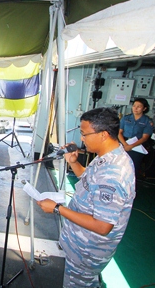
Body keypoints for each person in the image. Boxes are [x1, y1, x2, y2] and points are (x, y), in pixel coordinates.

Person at [37, 107, 135, 288]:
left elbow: (103, 226)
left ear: (103, 134)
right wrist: (73, 163)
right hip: (80, 243)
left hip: (88, 250)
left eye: (85, 134)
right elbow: (89, 180)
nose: (82, 139)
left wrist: (57, 209)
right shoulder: (106, 156)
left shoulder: (114, 174)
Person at [118, 98, 153, 174]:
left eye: (139, 106)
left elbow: (145, 137)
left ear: (144, 108)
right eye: (134, 106)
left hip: (137, 146)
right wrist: (125, 144)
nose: (135, 108)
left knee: (132, 168)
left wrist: (131, 146)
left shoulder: (147, 121)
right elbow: (119, 132)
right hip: (124, 143)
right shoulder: (126, 118)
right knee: (119, 166)